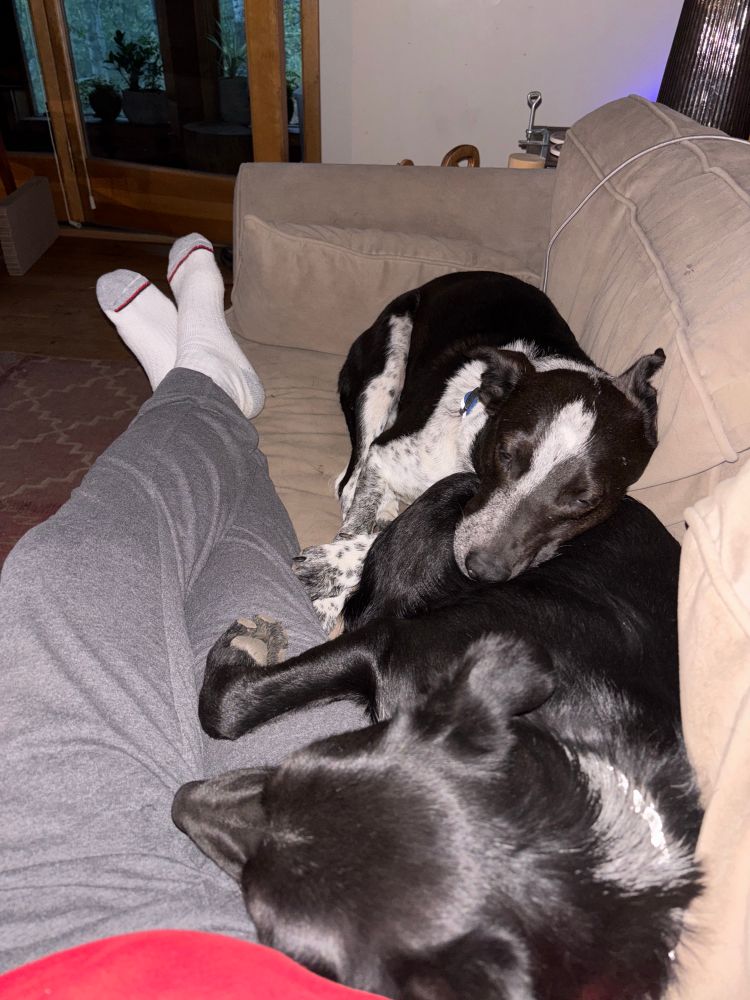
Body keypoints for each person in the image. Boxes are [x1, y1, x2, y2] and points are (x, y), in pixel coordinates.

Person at [0, 235, 367, 973]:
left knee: (69, 575)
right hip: (344, 924)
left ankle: (203, 384)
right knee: (240, 608)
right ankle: (206, 384)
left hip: (88, 951)